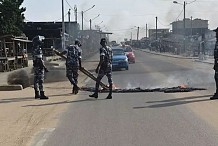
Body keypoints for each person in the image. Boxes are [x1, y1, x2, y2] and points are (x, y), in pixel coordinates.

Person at [32, 35, 49, 99]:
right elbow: (40, 60)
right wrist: (45, 68)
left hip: (35, 67)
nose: (42, 42)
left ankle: (36, 94)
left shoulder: (33, 49)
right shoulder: (38, 49)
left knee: (35, 80)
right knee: (40, 81)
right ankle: (42, 94)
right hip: (39, 67)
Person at [211, 27, 218, 100]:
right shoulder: (217, 41)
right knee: (216, 78)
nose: (216, 34)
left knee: (217, 78)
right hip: (217, 63)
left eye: (217, 32)